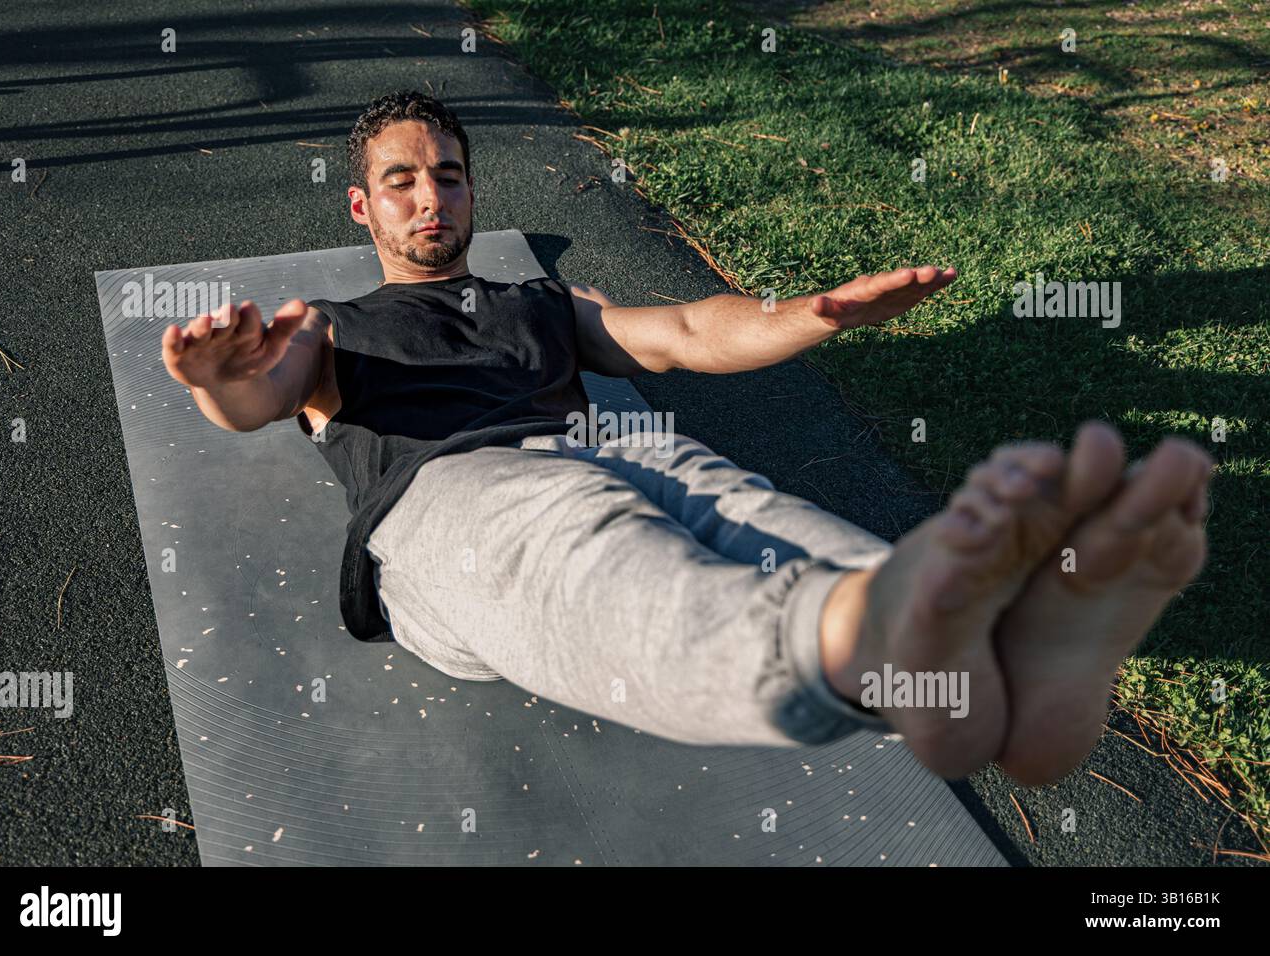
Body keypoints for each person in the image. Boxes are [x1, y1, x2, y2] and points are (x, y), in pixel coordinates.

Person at [161, 92, 1210, 786]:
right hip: (453, 502)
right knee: (594, 546)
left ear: (474, 188)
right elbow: (261, 397)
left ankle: (982, 663)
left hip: (618, 449)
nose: (430, 195)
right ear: (363, 203)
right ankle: (868, 637)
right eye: (403, 179)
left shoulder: (540, 298)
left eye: (448, 174)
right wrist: (225, 382)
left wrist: (815, 312)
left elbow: (682, 334)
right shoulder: (330, 326)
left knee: (742, 503)